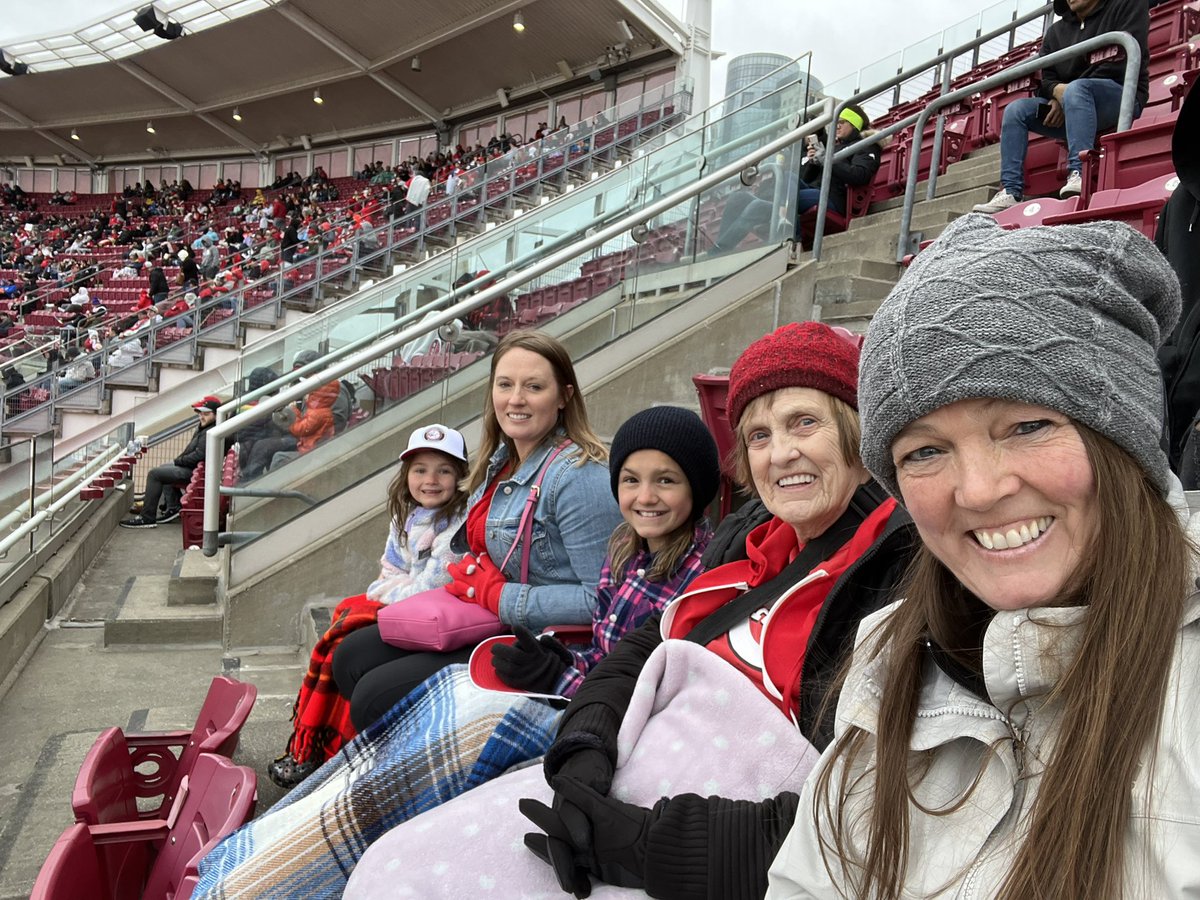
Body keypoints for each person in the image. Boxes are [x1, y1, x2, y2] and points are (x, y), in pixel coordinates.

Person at [341, 322, 917, 899]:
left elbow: (870, 819)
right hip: (624, 741)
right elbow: (641, 643)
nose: (781, 452)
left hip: (709, 832)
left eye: (805, 422)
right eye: (759, 435)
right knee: (382, 829)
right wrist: (584, 743)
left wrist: (644, 845)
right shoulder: (748, 536)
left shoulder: (901, 574)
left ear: (858, 433)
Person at [766, 214, 1198, 897]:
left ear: (1124, 435)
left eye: (1027, 425)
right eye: (926, 451)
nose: (980, 489)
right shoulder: (887, 659)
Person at [194, 407, 716, 898]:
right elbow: (605, 651)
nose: (646, 495)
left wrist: (554, 669)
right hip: (574, 683)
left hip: (597, 723)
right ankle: (279, 842)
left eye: (666, 480)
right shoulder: (624, 552)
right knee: (399, 691)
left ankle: (303, 863)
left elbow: (641, 686)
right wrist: (559, 663)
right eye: (631, 480)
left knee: (436, 720)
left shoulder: (696, 579)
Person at [332, 330, 621, 733]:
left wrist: (501, 596)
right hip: (487, 617)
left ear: (564, 396)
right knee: (350, 656)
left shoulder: (579, 476)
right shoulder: (500, 461)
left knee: (375, 696)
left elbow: (605, 602)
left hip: (537, 645)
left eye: (534, 387)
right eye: (505, 385)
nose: (516, 399)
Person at [267, 425, 471, 789]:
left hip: (441, 622)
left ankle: (338, 753)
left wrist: (395, 589)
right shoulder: (405, 517)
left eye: (444, 470)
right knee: (340, 640)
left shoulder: (459, 522)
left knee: (359, 651)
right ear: (406, 475)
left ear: (459, 477)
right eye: (420, 469)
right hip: (409, 611)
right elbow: (388, 572)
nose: (431, 480)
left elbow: (433, 585)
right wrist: (397, 588)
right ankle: (313, 749)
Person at [973, 0, 1149, 213]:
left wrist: (1068, 93)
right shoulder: (1056, 31)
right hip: (1071, 102)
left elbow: (1118, 64)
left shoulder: (1127, 5)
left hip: (1121, 96)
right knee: (1016, 110)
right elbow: (1045, 78)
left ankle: (1079, 173)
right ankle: (1011, 190)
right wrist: (1057, 93)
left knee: (1077, 90)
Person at [710, 105, 879, 253]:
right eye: (837, 122)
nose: (838, 126)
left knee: (757, 206)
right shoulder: (835, 146)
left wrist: (826, 158)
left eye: (843, 122)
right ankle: (784, 221)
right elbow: (820, 172)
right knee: (739, 197)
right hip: (817, 192)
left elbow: (859, 175)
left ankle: (720, 252)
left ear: (855, 125)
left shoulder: (866, 145)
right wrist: (817, 161)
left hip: (834, 198)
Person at [120, 396, 221, 528]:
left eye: (206, 414)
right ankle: (173, 506)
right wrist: (178, 461)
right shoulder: (204, 428)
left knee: (155, 474)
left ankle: (147, 518)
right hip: (194, 470)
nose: (201, 417)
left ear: (216, 414)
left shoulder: (210, 431)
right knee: (163, 468)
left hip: (196, 472)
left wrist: (179, 460)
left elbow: (198, 455)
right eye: (200, 413)